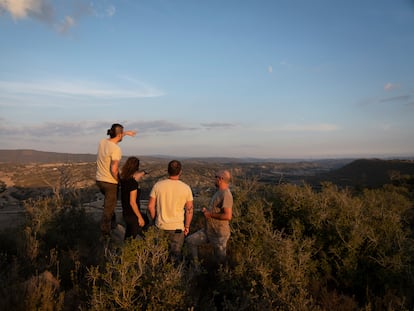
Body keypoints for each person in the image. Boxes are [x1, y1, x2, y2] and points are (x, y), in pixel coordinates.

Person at [147, 160, 194, 263]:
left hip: (160, 226)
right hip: (177, 228)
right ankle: (173, 277)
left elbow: (150, 206)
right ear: (180, 172)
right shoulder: (186, 188)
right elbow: (189, 210)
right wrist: (187, 226)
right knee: (175, 258)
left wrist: (155, 219)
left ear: (167, 171)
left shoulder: (158, 186)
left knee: (159, 256)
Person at [96, 123, 136, 237]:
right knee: (109, 209)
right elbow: (114, 169)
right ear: (119, 135)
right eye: (122, 134)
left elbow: (116, 135)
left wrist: (126, 133)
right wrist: (118, 180)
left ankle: (111, 224)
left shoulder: (102, 142)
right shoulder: (116, 149)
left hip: (99, 180)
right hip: (110, 182)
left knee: (109, 204)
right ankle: (105, 234)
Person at [186, 170, 233, 266]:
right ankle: (196, 268)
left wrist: (210, 214)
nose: (214, 179)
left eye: (215, 177)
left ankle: (221, 278)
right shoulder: (218, 192)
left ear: (221, 179)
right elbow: (215, 210)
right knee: (191, 241)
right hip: (209, 230)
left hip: (219, 233)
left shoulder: (226, 194)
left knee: (220, 261)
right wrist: (206, 211)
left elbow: (228, 216)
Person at [120, 156, 148, 240]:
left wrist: (142, 173)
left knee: (128, 237)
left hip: (126, 213)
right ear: (136, 167)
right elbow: (132, 202)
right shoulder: (133, 183)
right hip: (133, 215)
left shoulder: (124, 180)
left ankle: (124, 252)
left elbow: (134, 177)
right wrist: (140, 218)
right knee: (134, 238)